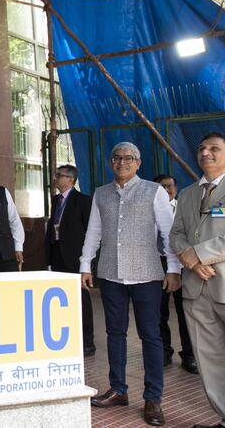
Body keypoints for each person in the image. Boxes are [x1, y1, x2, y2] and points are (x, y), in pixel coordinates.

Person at [82, 142, 180, 427]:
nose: (122, 162)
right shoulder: (101, 193)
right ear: (111, 162)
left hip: (147, 275)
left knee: (150, 335)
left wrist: (173, 269)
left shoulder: (154, 191)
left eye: (128, 158)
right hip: (111, 274)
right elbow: (93, 232)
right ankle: (118, 390)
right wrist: (85, 264)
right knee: (114, 333)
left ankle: (153, 398)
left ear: (138, 163)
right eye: (117, 158)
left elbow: (168, 233)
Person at [170, 132, 225, 428]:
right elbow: (175, 233)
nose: (206, 153)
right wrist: (188, 258)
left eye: (214, 148)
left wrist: (197, 257)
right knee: (209, 360)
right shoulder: (188, 194)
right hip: (196, 291)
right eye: (202, 148)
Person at [45, 164, 95, 356]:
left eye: (59, 175)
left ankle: (87, 342)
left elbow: (90, 231)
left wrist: (87, 260)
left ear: (71, 180)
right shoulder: (56, 199)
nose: (55, 178)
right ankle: (68, 337)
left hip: (76, 257)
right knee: (63, 297)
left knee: (81, 297)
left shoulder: (83, 200)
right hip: (57, 253)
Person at [153, 174, 197, 373]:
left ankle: (190, 355)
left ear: (176, 188)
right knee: (159, 311)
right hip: (157, 262)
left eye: (170, 186)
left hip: (183, 262)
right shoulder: (149, 209)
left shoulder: (185, 207)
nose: (166, 189)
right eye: (161, 187)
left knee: (184, 310)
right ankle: (164, 351)